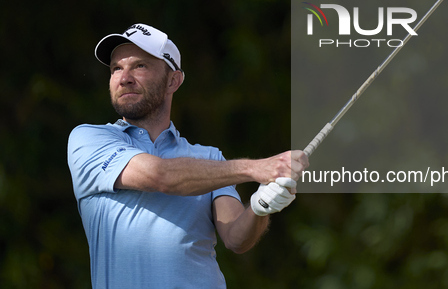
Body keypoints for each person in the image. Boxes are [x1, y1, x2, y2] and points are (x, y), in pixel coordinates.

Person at [67, 23, 308, 288]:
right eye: (116, 68)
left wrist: (261, 205)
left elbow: (237, 239)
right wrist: (254, 169)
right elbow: (161, 176)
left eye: (140, 66)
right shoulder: (89, 139)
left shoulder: (209, 158)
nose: (124, 77)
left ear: (173, 80)